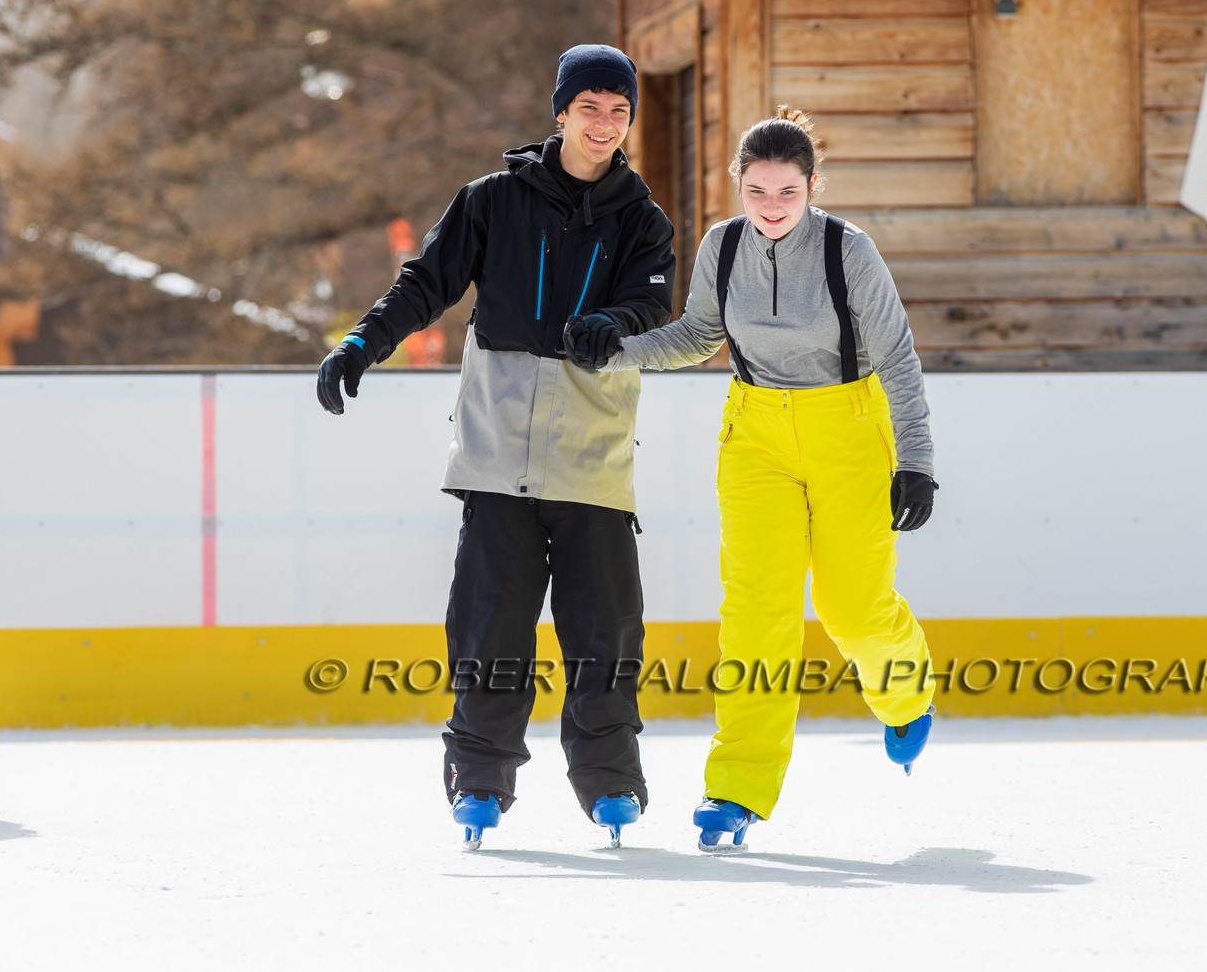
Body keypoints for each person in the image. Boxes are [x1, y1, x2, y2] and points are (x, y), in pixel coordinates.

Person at [315, 44, 676, 849]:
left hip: (592, 457)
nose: (604, 123)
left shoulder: (644, 222)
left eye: (619, 110)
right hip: (496, 453)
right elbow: (424, 285)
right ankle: (479, 779)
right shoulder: (492, 201)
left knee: (607, 630)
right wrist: (360, 344)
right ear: (560, 111)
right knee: (489, 628)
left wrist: (614, 323)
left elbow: (655, 306)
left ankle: (611, 780)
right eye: (590, 106)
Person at [563, 107, 939, 853]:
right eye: (758, 190)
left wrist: (917, 462)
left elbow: (897, 356)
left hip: (848, 428)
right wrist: (615, 350)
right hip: (755, 435)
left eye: (787, 193)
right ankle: (735, 787)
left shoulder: (848, 251)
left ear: (812, 187)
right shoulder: (723, 247)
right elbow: (698, 337)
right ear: (737, 183)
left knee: (853, 607)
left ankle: (905, 688)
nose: (771, 207)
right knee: (757, 613)